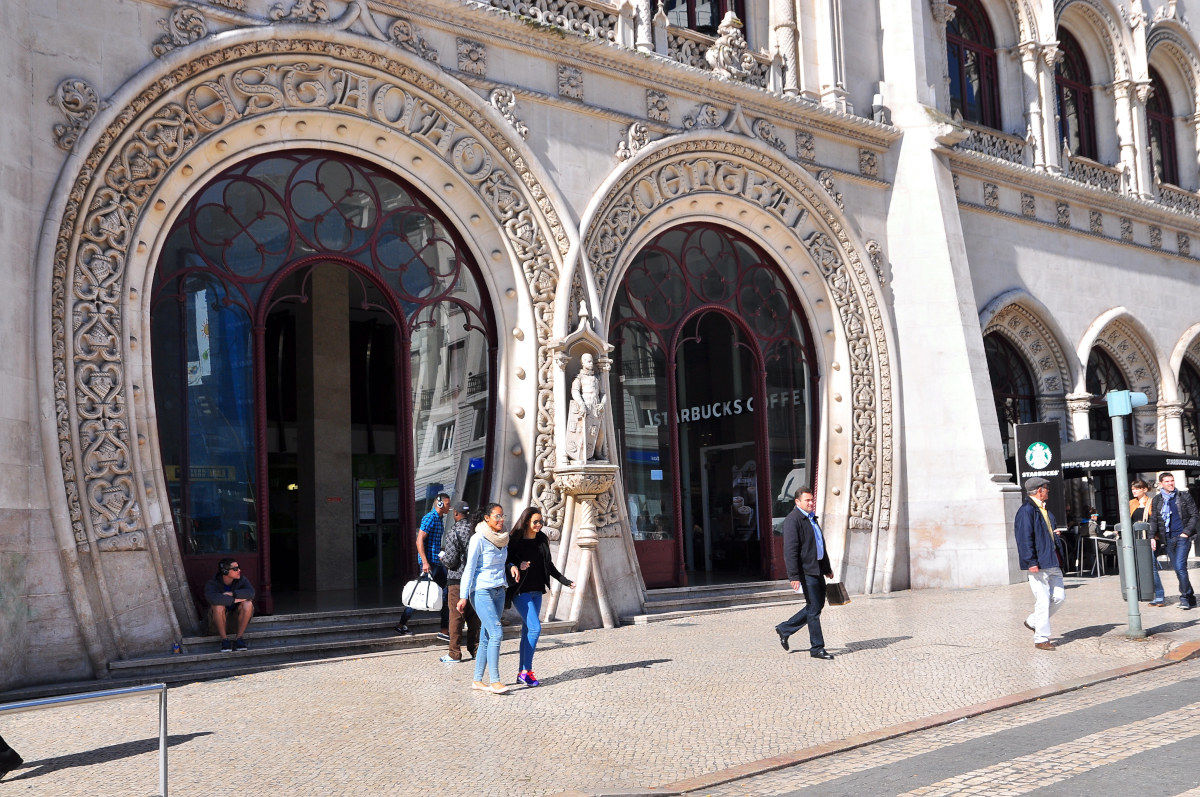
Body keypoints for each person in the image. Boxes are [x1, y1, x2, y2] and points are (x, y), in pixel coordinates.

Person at [506, 506, 574, 686]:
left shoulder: (542, 539)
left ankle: (522, 672)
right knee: (535, 628)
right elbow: (506, 561)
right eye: (535, 521)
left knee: (528, 631)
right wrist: (516, 565)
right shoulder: (515, 540)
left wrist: (565, 580)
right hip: (520, 591)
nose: (539, 525)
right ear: (527, 521)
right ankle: (527, 671)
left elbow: (548, 564)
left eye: (541, 521)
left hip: (537, 591)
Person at [774, 488, 835, 660]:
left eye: (811, 500)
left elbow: (819, 545)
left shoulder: (811, 518)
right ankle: (817, 648)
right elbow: (790, 550)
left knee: (816, 606)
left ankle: (785, 628)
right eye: (807, 500)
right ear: (797, 502)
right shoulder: (793, 520)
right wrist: (793, 576)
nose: (810, 503)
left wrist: (827, 568)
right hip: (806, 572)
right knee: (814, 610)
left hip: (817, 570)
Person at [458, 503, 511, 694]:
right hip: (481, 591)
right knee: (496, 632)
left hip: (499, 589)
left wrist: (513, 565)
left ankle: (477, 680)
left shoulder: (503, 538)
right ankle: (495, 681)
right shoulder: (478, 538)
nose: (501, 519)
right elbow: (469, 569)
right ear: (487, 518)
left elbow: (504, 559)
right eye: (497, 516)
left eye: (502, 516)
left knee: (487, 635)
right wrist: (463, 596)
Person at [1015, 477, 1064, 650]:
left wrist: (1054, 535)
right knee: (1043, 600)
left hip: (1052, 560)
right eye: (1046, 488)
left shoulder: (1044, 511)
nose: (1048, 491)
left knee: (1059, 597)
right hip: (1039, 563)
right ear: (1038, 490)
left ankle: (1033, 621)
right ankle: (1041, 639)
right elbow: (1024, 538)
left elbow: (1044, 534)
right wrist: (1031, 561)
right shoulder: (1027, 510)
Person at [396, 493, 451, 637]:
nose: (449, 507)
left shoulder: (439, 519)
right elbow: (419, 540)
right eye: (447, 504)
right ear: (439, 504)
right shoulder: (430, 518)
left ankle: (444, 629)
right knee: (420, 595)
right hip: (430, 564)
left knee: (446, 593)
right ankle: (402, 624)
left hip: (436, 562)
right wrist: (425, 562)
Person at [1146, 472, 1197, 610]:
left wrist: (1186, 533)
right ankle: (1191, 596)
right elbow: (1154, 520)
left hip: (1182, 538)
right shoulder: (1157, 500)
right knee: (1178, 569)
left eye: (1172, 481)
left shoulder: (1184, 496)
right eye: (1167, 481)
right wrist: (1151, 536)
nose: (1171, 483)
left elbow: (1194, 515)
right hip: (1167, 539)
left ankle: (1184, 598)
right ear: (1161, 483)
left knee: (1180, 567)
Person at [438, 501, 480, 663]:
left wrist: (442, 558)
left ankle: (454, 653)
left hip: (457, 579)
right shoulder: (476, 530)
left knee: (456, 616)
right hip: (475, 579)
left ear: (456, 514)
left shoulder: (453, 532)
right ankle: (475, 649)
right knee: (473, 617)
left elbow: (450, 561)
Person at [203, 558, 255, 652]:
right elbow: (214, 599)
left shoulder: (241, 580)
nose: (239, 570)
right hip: (217, 624)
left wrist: (232, 594)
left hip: (235, 620)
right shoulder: (212, 583)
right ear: (225, 571)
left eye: (239, 568)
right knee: (218, 605)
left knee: (248, 603)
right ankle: (224, 640)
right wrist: (236, 599)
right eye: (235, 569)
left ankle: (239, 638)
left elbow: (251, 593)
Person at [1130, 479, 1166, 606]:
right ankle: (1149, 594)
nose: (1133, 490)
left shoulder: (1151, 502)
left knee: (1151, 568)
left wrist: (1154, 537)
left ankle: (1159, 595)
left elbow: (1155, 521)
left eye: (1137, 488)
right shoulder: (1131, 503)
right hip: (1137, 539)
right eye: (1133, 488)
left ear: (1144, 489)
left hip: (1150, 539)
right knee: (1142, 568)